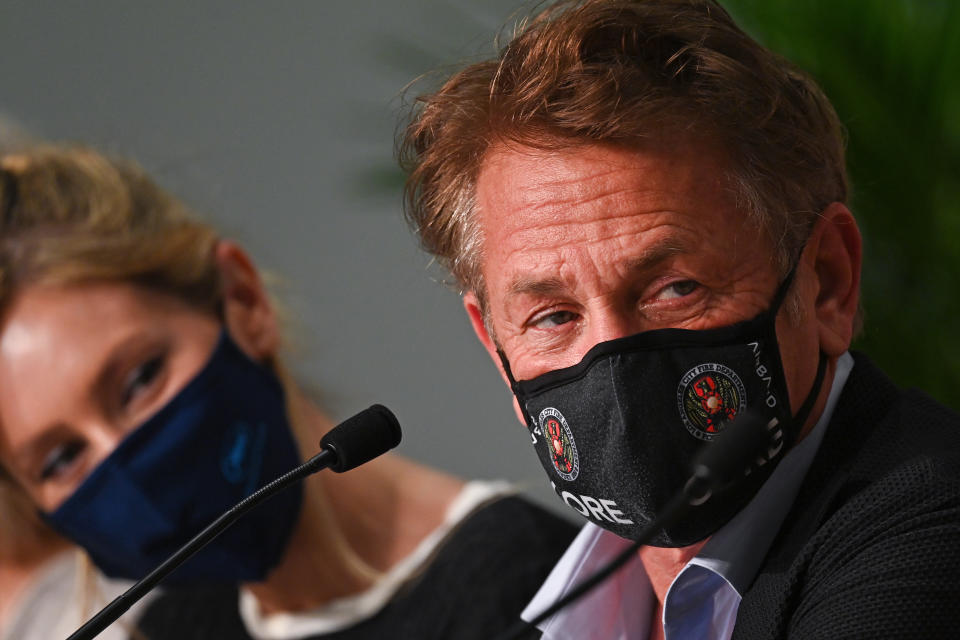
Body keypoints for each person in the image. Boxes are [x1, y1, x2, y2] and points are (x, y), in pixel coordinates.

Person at [399, 0, 960, 638]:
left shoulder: (932, 540)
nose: (611, 357)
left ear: (828, 281)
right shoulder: (545, 610)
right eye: (553, 316)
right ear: (495, 345)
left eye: (675, 288)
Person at [0, 144, 576, 639]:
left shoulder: (535, 592)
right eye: (61, 457)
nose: (124, 465)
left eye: (139, 380)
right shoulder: (177, 625)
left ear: (242, 299)